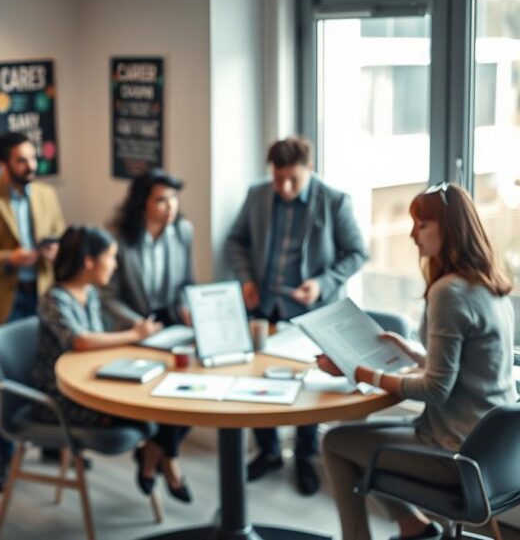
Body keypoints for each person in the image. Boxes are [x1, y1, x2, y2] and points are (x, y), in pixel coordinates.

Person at [320, 182, 516, 540]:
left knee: (335, 443)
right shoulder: (493, 287)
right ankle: (412, 526)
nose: (412, 235)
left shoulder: (448, 292)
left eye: (421, 224)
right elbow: (466, 372)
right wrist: (413, 352)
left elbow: (436, 388)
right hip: (493, 456)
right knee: (358, 442)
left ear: (449, 228)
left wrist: (362, 372)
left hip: (455, 454)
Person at [223, 135, 368, 495]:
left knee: (309, 379)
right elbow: (235, 240)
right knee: (255, 376)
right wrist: (245, 279)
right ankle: (269, 451)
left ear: (310, 170)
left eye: (293, 180)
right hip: (264, 306)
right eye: (278, 179)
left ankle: (304, 456)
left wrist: (321, 283)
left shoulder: (334, 201)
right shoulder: (257, 195)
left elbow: (356, 253)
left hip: (312, 310)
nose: (284, 188)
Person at [31, 225, 193, 502]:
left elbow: (98, 340)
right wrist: (134, 335)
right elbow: (80, 341)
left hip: (95, 378)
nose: (115, 265)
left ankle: (156, 457)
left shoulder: (89, 293)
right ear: (88, 261)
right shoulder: (54, 299)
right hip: (65, 396)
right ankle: (159, 459)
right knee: (165, 409)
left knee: (181, 397)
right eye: (111, 257)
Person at [0, 131, 66, 491]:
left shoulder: (47, 195)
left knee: (50, 372)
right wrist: (9, 257)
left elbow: (61, 236)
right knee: (3, 382)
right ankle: (5, 457)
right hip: (4, 299)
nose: (31, 166)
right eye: (22, 160)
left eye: (32, 158)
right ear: (4, 164)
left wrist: (56, 251)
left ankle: (53, 444)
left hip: (42, 296)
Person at [105, 168, 196, 327]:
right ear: (142, 203)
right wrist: (138, 324)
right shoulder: (118, 238)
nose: (170, 206)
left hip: (173, 321)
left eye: (173, 197)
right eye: (161, 200)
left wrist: (186, 306)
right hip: (133, 324)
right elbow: (109, 296)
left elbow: (187, 282)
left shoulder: (183, 231)